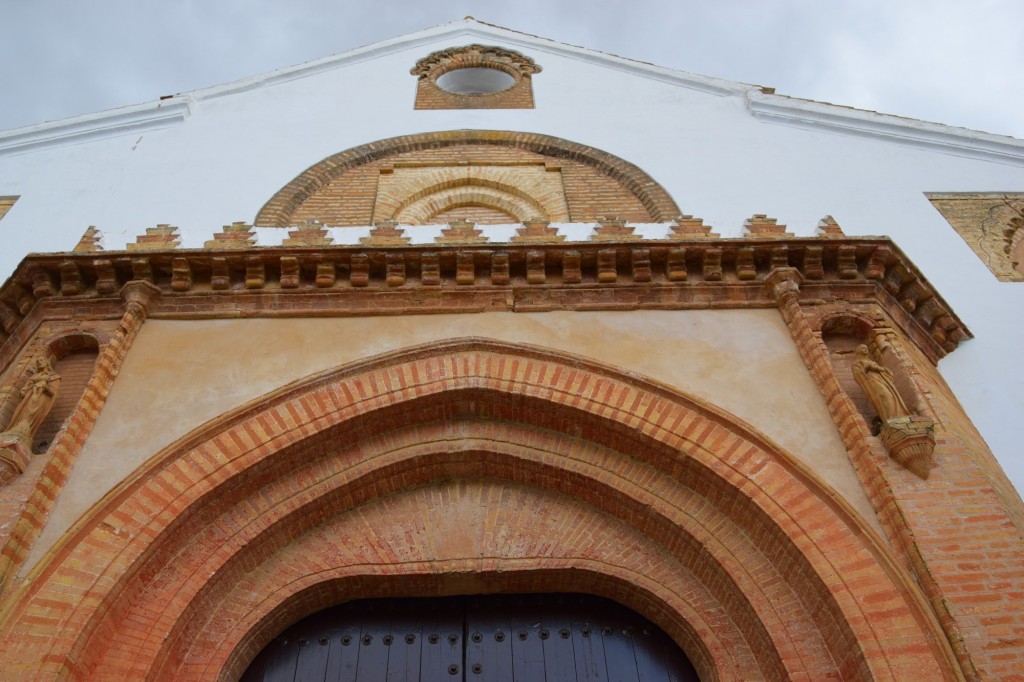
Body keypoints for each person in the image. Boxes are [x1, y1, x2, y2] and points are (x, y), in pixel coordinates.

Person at [4, 356, 61, 442]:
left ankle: (25, 431)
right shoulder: (34, 376)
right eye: (37, 361)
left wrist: (44, 386)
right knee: (21, 412)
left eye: (41, 360)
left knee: (32, 412)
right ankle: (15, 429)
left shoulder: (54, 377)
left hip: (40, 398)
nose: (39, 362)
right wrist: (23, 391)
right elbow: (25, 387)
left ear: (47, 363)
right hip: (28, 397)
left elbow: (53, 392)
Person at [851, 344, 909, 422]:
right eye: (863, 348)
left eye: (866, 348)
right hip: (872, 381)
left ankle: (898, 416)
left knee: (892, 396)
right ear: (858, 351)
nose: (866, 349)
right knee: (885, 396)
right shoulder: (856, 364)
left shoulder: (870, 361)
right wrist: (867, 367)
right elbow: (858, 376)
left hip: (882, 380)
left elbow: (882, 371)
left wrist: (883, 369)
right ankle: (890, 418)